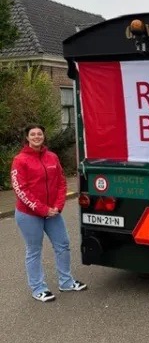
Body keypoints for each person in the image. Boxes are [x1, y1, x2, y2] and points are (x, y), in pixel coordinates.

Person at [11, 124, 87, 302]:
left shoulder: (52, 157)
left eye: (39, 134)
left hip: (53, 213)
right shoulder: (20, 160)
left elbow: (61, 183)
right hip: (29, 214)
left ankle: (66, 282)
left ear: (43, 137)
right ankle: (38, 288)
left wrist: (57, 207)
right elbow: (20, 190)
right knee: (34, 250)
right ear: (27, 138)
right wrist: (43, 209)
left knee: (63, 245)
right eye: (33, 134)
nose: (37, 136)